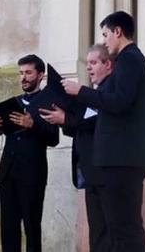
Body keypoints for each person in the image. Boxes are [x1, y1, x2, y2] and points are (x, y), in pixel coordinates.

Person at [63, 11, 145, 252]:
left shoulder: (129, 59)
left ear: (118, 32)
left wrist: (81, 91)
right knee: (118, 228)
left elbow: (118, 101)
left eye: (105, 35)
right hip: (119, 160)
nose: (104, 41)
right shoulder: (129, 60)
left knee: (125, 229)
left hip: (123, 160)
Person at [0, 54, 59, 252]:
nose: (23, 77)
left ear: (40, 75)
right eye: (21, 73)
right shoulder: (14, 101)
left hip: (32, 175)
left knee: (32, 228)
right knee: (8, 228)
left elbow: (54, 139)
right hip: (8, 172)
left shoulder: (48, 102)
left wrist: (32, 124)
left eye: (28, 73)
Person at [39, 44, 112, 252]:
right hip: (90, 172)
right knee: (97, 232)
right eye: (87, 63)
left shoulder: (108, 94)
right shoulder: (94, 94)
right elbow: (83, 128)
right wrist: (63, 119)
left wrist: (67, 119)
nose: (89, 68)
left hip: (105, 172)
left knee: (109, 231)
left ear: (108, 64)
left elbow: (98, 126)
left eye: (94, 62)